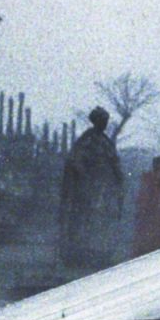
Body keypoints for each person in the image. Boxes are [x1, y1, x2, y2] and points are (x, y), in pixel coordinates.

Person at [59, 105, 127, 268]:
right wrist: (86, 178)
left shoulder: (105, 141)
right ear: (96, 121)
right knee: (85, 222)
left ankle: (98, 254)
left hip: (103, 189)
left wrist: (119, 181)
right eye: (102, 120)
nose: (105, 123)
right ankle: (81, 255)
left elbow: (115, 162)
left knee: (101, 223)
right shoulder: (87, 140)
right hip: (88, 189)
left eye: (106, 120)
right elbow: (74, 162)